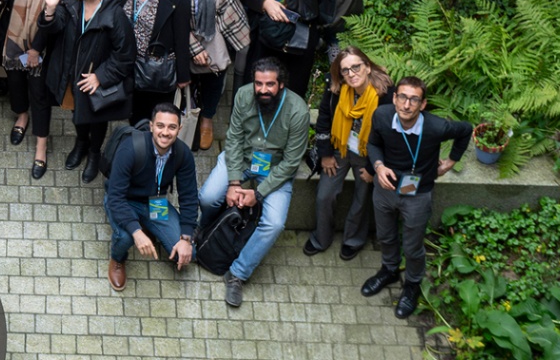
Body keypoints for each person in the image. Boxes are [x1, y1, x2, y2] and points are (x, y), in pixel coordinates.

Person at [198, 57, 310, 307]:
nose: (263, 90)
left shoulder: (298, 110)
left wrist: (257, 194)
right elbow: (234, 139)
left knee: (274, 223)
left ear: (281, 85)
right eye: (259, 83)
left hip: (275, 171)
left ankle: (238, 273)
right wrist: (234, 183)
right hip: (243, 160)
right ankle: (203, 231)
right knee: (207, 197)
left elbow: (292, 162)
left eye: (270, 84)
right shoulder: (243, 96)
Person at [364, 77, 474, 318]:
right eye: (402, 97)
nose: (406, 105)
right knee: (385, 235)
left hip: (417, 194)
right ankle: (390, 269)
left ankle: (412, 284)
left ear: (422, 105)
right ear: (394, 98)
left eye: (414, 99)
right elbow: (373, 144)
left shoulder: (436, 127)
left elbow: (466, 130)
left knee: (413, 246)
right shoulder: (382, 116)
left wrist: (451, 162)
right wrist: (379, 167)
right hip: (385, 188)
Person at [46, 0, 135, 183]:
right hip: (72, 74)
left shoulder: (114, 12)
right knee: (78, 115)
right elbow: (54, 28)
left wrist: (101, 77)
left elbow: (125, 54)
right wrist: (49, 10)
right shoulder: (70, 2)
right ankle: (81, 144)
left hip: (94, 78)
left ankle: (94, 153)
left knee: (96, 118)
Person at [0, 0, 71, 177]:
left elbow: (57, 16)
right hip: (13, 41)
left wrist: (36, 50)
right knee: (15, 82)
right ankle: (21, 116)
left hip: (43, 43)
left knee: (38, 93)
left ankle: (41, 146)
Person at [104, 100, 200, 292]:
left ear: (179, 129)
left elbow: (189, 196)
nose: (165, 132)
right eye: (160, 126)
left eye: (172, 127)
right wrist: (136, 232)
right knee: (126, 237)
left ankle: (150, 226)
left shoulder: (183, 154)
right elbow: (115, 196)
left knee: (189, 253)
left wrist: (186, 238)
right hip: (124, 200)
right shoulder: (130, 149)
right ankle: (117, 259)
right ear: (151, 126)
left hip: (155, 202)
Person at [306, 44, 392, 261]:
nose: (351, 74)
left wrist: (374, 168)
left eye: (356, 67)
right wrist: (325, 154)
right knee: (325, 194)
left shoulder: (385, 95)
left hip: (368, 153)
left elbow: (389, 136)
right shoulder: (336, 89)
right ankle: (321, 238)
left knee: (362, 198)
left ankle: (353, 240)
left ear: (368, 67)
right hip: (340, 147)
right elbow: (324, 118)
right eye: (346, 70)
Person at [169, 0, 251, 151]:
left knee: (216, 77)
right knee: (189, 76)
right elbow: (175, 14)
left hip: (220, 34)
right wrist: (194, 47)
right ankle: (186, 115)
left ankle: (207, 118)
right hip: (188, 33)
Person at [118, 0, 191, 125]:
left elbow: (182, 38)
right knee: (136, 122)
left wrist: (183, 76)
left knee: (159, 123)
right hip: (131, 70)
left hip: (158, 72)